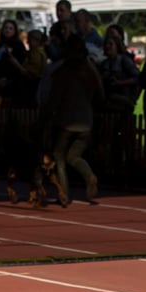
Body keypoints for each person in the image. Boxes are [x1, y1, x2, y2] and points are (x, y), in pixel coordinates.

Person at [42, 35, 104, 205]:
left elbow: (54, 98)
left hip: (67, 120)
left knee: (58, 155)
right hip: (87, 120)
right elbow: (100, 93)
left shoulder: (63, 71)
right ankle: (88, 175)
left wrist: (47, 118)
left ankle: (64, 193)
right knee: (74, 155)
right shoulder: (90, 70)